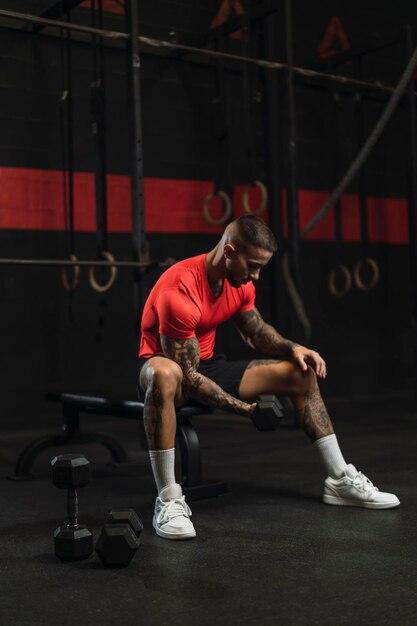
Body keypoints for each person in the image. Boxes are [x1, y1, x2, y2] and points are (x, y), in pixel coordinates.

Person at [137, 215, 399, 540]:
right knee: (165, 374)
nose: (256, 276)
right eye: (253, 266)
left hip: (205, 364)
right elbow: (188, 378)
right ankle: (168, 499)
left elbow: (256, 331)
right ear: (229, 251)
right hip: (166, 372)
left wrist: (294, 348)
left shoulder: (239, 282)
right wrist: (246, 410)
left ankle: (339, 480)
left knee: (298, 373)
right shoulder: (179, 290)